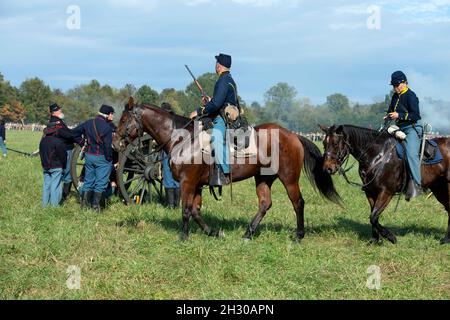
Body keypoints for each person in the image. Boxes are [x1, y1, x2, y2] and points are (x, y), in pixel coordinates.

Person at [190, 53, 238, 186]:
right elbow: (218, 101)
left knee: (216, 138)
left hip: (223, 118)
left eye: (216, 63)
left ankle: (225, 172)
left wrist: (200, 110)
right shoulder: (227, 78)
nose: (215, 65)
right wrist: (209, 101)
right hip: (224, 113)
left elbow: (217, 105)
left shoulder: (223, 80)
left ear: (219, 66)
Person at [386, 71, 423, 200]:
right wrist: (388, 116)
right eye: (394, 86)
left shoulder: (411, 96)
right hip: (399, 128)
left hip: (412, 128)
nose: (395, 88)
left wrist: (399, 115)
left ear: (404, 82)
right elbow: (391, 110)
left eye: (397, 85)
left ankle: (417, 185)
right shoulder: (395, 96)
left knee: (411, 154)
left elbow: (416, 115)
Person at [73, 104, 115, 212]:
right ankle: (95, 207)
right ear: (108, 114)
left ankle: (84, 206)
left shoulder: (88, 123)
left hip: (89, 156)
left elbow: (74, 132)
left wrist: (82, 142)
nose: (113, 116)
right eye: (112, 114)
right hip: (101, 157)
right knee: (100, 183)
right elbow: (107, 146)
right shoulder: (107, 127)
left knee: (88, 181)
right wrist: (109, 158)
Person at [47, 103, 77, 204]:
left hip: (59, 148)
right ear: (54, 112)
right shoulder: (56, 122)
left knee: (63, 172)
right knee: (67, 172)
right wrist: (77, 137)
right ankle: (64, 196)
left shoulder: (57, 121)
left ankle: (61, 195)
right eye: (59, 110)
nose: (61, 111)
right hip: (65, 149)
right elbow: (66, 134)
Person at [39, 125, 68, 207]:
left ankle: (44, 205)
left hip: (45, 166)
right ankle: (54, 206)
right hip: (56, 166)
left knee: (46, 185)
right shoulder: (58, 142)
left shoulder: (42, 141)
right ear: (55, 132)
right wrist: (64, 166)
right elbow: (63, 156)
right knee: (55, 185)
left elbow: (41, 154)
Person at [161, 103, 180, 208]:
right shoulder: (176, 120)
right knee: (176, 178)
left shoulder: (163, 122)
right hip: (177, 151)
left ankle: (171, 205)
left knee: (169, 176)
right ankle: (176, 205)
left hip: (167, 151)